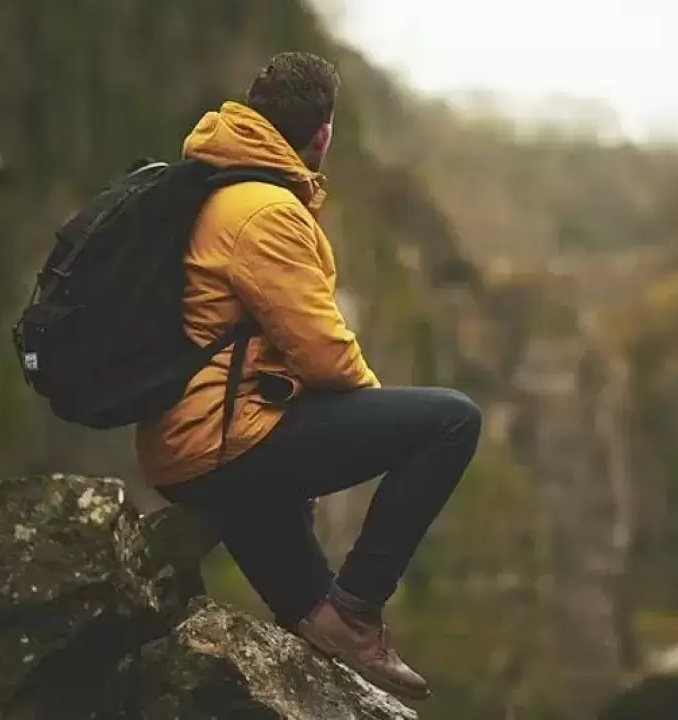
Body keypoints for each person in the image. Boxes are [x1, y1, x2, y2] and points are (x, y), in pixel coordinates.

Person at [135, 52, 482, 701]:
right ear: (322, 134)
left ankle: (341, 626)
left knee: (317, 627)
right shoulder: (264, 210)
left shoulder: (215, 187)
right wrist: (365, 425)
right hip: (225, 443)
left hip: (195, 444)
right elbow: (323, 353)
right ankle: (361, 605)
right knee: (451, 421)